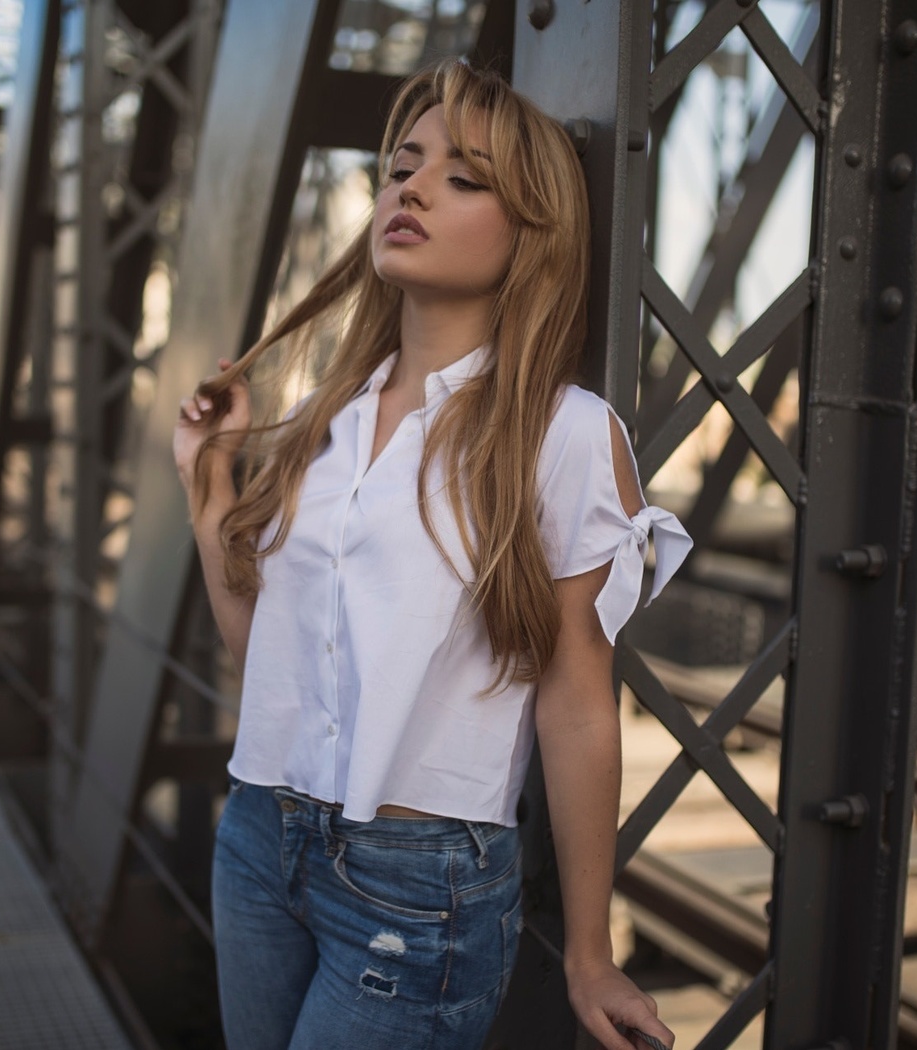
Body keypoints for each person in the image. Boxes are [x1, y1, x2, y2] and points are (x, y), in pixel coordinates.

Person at [173, 58, 690, 1050]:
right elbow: (275, 675)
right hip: (258, 837)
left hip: (416, 889)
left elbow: (579, 697)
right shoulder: (327, 421)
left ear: (531, 231)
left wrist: (590, 952)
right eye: (403, 165)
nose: (411, 186)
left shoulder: (565, 434)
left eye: (464, 177)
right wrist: (211, 487)